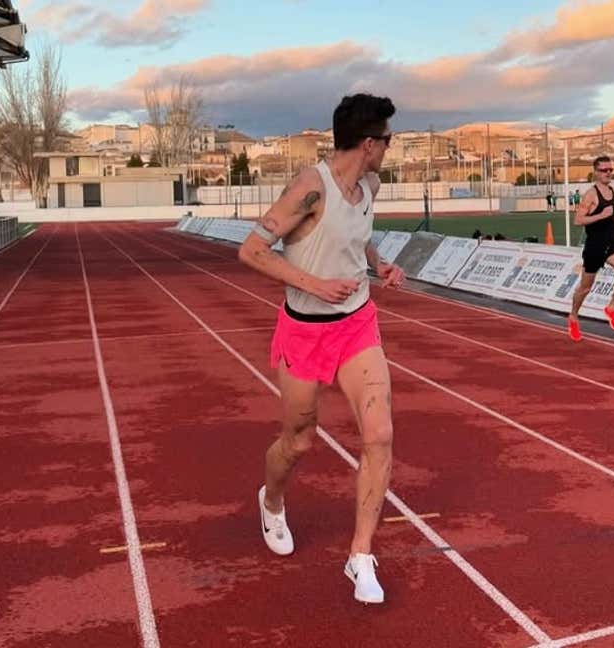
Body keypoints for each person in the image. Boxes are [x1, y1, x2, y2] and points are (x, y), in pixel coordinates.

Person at [238, 93, 405, 605]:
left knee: (379, 434)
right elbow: (251, 250)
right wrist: (312, 281)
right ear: (369, 143)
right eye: (389, 141)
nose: (390, 151)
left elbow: (357, 239)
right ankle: (272, 500)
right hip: (304, 329)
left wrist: (377, 264)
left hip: (357, 323)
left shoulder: (370, 185)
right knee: (299, 440)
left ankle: (360, 556)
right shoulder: (311, 187)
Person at [566, 155, 614, 341]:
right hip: (595, 245)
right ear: (596, 172)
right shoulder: (590, 195)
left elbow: (610, 214)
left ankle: (611, 307)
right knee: (585, 288)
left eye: (611, 170)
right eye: (604, 170)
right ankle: (573, 316)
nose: (608, 173)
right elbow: (578, 220)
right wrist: (602, 215)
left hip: (612, 242)